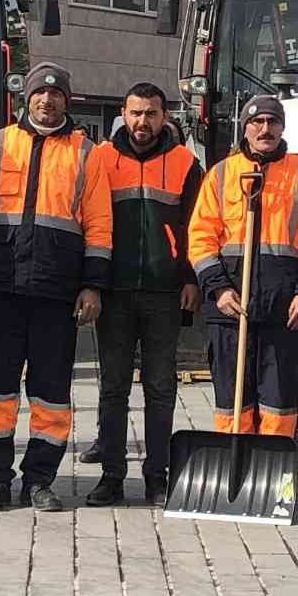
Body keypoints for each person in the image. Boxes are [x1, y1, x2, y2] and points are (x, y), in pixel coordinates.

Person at [0, 61, 111, 513]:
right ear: (25, 100)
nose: (47, 102)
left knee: (51, 393)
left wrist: (93, 285)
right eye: (39, 95)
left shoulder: (86, 154)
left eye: (56, 95)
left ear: (67, 101)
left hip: (56, 293)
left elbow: (99, 225)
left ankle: (40, 479)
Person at [85, 82, 203, 508]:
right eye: (135, 113)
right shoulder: (100, 159)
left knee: (160, 386)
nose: (142, 122)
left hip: (164, 293)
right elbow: (90, 222)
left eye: (151, 113)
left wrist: (191, 278)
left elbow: (196, 226)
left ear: (165, 117)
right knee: (112, 388)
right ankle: (112, 477)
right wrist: (92, 283)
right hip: (114, 293)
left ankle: (157, 476)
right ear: (123, 112)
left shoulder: (186, 163)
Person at [189, 95, 298, 444]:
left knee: (278, 402)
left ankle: (277, 471)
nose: (265, 129)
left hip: (285, 309)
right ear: (245, 127)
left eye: (272, 122)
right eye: (257, 122)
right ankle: (234, 465)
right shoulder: (221, 174)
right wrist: (219, 289)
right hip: (230, 306)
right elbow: (201, 237)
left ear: (282, 127)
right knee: (232, 399)